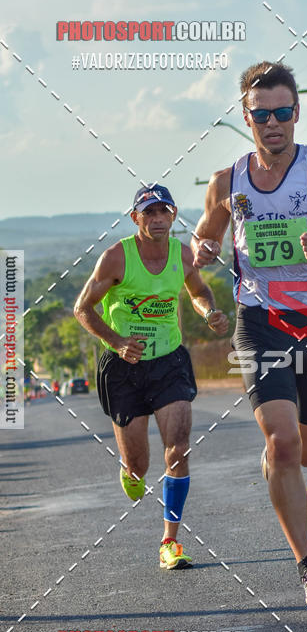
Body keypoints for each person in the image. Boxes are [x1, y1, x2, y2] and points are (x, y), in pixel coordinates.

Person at [192, 62, 307, 610]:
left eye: (282, 113)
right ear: (246, 118)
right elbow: (204, 241)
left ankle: (281, 464)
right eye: (261, 115)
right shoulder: (226, 182)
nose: (272, 123)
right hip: (261, 321)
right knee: (283, 442)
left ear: (296, 113)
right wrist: (204, 252)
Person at [74, 185, 228, 569]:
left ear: (174, 216)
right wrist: (117, 340)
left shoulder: (183, 254)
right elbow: (82, 308)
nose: (158, 219)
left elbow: (198, 289)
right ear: (135, 218)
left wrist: (208, 311)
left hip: (169, 363)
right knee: (140, 464)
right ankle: (130, 469)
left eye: (164, 211)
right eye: (149, 212)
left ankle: (169, 542)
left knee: (177, 448)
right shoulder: (116, 259)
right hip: (123, 367)